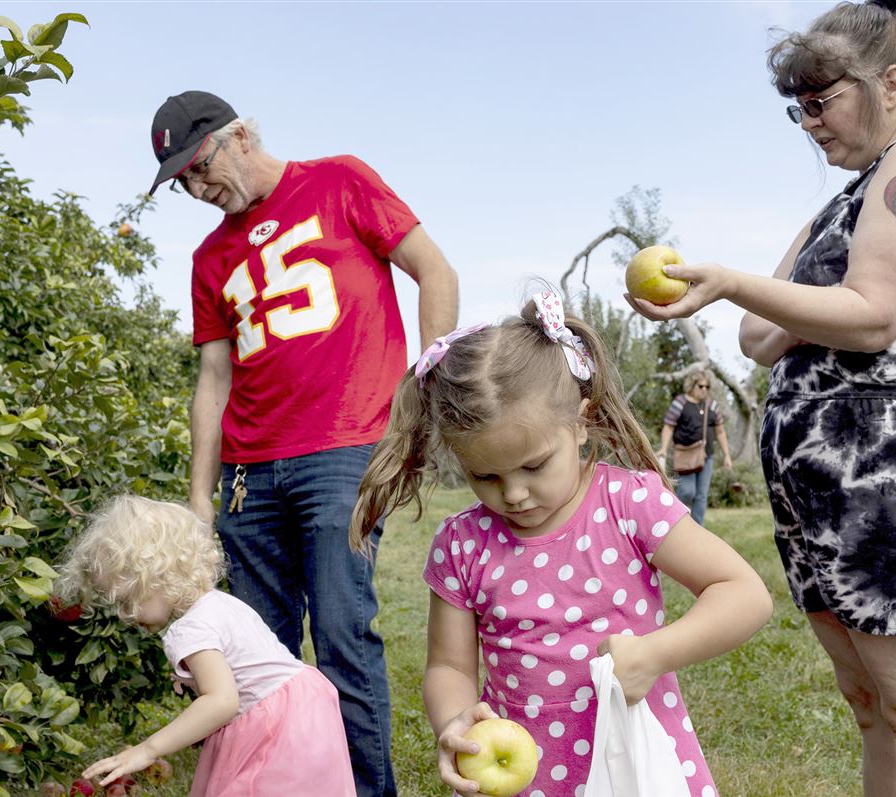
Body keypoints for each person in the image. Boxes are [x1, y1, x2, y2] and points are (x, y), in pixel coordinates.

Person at [625, 1, 896, 794]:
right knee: (875, 712)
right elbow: (756, 338)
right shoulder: (844, 202)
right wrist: (791, 306)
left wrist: (735, 282)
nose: (808, 122)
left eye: (820, 100)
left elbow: (872, 315)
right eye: (797, 107)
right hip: (827, 499)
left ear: (891, 83)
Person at [147, 90, 459, 797]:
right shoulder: (208, 258)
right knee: (261, 654)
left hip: (343, 448)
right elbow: (214, 377)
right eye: (183, 182)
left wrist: (424, 395)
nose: (197, 188)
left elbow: (435, 270)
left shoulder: (340, 180)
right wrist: (201, 492)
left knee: (344, 635)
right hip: (249, 477)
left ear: (241, 136)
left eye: (199, 167)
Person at [350, 291, 772, 797]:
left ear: (580, 423)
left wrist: (657, 653)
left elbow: (744, 593)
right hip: (526, 777)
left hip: (638, 765)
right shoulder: (462, 544)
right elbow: (449, 666)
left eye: (534, 466)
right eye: (485, 475)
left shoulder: (626, 503)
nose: (514, 493)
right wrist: (455, 720)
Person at [56, 495, 355, 795]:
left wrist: (148, 749)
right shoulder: (221, 604)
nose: (123, 615)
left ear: (156, 576)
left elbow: (222, 701)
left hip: (275, 730)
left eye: (125, 600)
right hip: (304, 711)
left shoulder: (191, 629)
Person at [656, 369, 734, 525]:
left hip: (706, 456)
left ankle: (698, 527)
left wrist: (727, 455)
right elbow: (669, 426)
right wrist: (664, 448)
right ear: (691, 385)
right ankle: (675, 523)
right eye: (701, 386)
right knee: (686, 491)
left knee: (701, 495)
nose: (704, 389)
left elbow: (720, 431)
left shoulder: (712, 405)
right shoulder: (680, 402)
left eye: (707, 387)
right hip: (685, 455)